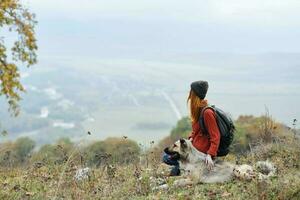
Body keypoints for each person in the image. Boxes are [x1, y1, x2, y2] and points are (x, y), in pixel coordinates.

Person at [163, 80, 221, 176]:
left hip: (200, 154)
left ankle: (183, 169)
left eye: (191, 92)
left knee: (168, 158)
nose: (189, 95)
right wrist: (190, 138)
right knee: (166, 156)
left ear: (195, 94)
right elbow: (196, 131)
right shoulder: (198, 111)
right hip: (192, 148)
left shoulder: (207, 113)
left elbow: (216, 136)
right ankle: (183, 168)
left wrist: (210, 154)